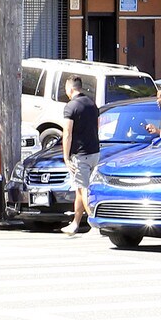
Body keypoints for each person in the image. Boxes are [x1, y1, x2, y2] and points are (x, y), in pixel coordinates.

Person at [60, 76, 100, 235]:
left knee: (83, 189)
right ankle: (75, 223)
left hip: (80, 155)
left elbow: (67, 133)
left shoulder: (70, 107)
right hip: (94, 152)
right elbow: (97, 127)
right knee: (80, 189)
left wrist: (65, 156)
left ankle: (95, 224)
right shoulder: (92, 104)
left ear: (70, 89)